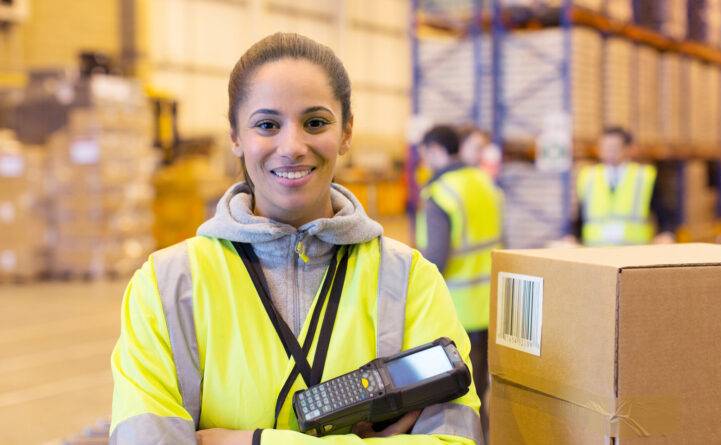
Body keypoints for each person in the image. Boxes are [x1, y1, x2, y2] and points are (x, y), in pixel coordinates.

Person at [109, 33, 483, 445]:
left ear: (346, 132)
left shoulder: (410, 279)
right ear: (235, 136)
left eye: (315, 123)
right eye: (267, 125)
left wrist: (248, 441)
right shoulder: (166, 285)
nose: (292, 146)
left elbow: (454, 440)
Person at [415, 125, 503, 437]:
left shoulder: (440, 193)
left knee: (461, 397)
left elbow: (436, 258)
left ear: (436, 150)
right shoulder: (483, 181)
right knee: (483, 388)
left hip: (458, 307)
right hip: (491, 301)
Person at [568, 126, 675, 246]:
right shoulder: (588, 176)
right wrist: (573, 236)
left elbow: (663, 212)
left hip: (632, 251)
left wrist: (666, 233)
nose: (609, 152)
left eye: (614, 147)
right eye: (605, 147)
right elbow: (581, 215)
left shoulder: (643, 177)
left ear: (628, 149)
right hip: (595, 251)